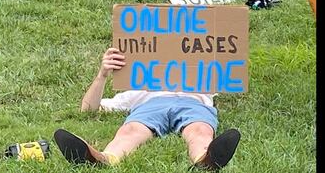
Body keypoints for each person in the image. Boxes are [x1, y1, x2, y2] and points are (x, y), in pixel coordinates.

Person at [53, 48, 241, 170]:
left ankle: (204, 159)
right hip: (151, 104)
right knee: (130, 130)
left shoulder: (200, 80)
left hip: (192, 102)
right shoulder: (139, 87)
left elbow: (225, 61)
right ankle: (104, 158)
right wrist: (102, 75)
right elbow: (88, 109)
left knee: (200, 129)